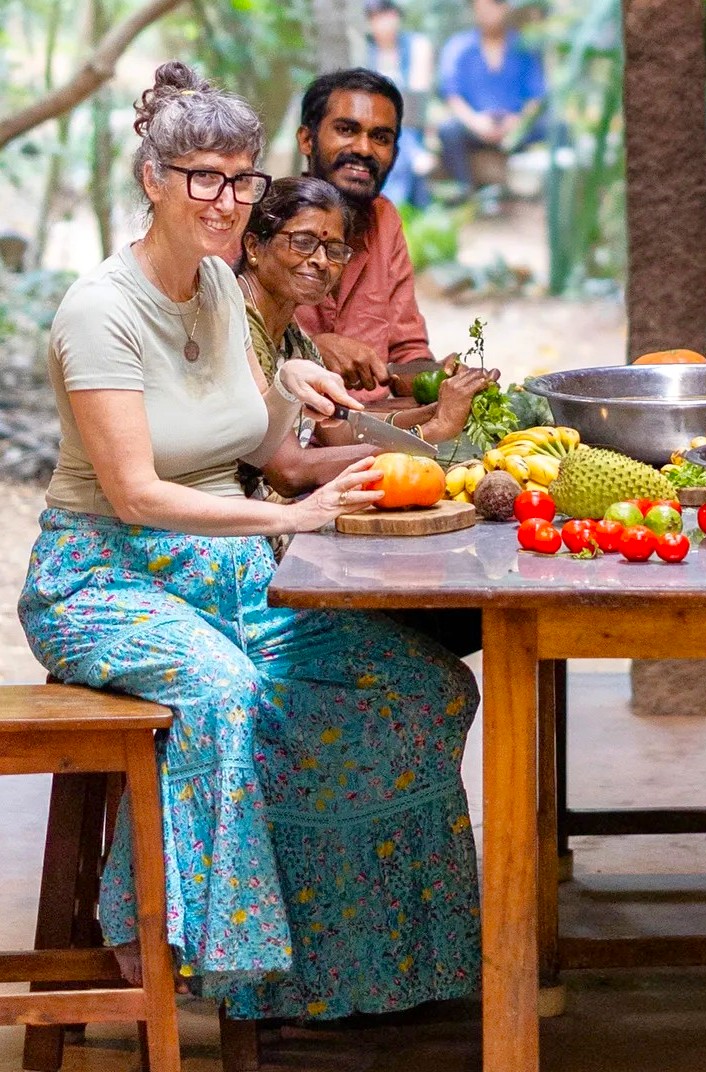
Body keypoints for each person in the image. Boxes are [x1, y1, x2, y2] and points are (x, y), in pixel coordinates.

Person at [18, 62, 482, 1022]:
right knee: (225, 693)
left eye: (243, 180)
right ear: (154, 179)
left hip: (217, 576)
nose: (228, 202)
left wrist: (295, 399)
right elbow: (138, 494)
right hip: (103, 579)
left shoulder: (223, 297)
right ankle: (190, 956)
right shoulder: (101, 309)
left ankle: (346, 968)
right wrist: (286, 518)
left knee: (421, 684)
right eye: (205, 179)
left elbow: (263, 445)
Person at [239, 176, 494, 491]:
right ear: (253, 247)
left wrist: (439, 408)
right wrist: (433, 431)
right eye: (303, 242)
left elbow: (342, 433)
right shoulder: (235, 325)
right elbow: (290, 472)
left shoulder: (295, 341)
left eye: (334, 250)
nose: (321, 261)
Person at [294, 68, 449, 398]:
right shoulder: (264, 220)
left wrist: (441, 379)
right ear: (307, 140)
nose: (364, 149)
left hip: (374, 431)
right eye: (347, 130)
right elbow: (235, 353)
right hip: (287, 438)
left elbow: (408, 353)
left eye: (381, 137)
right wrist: (310, 349)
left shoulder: (385, 219)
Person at [436, 0, 546, 202]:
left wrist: (518, 123)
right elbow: (451, 94)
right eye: (481, 8)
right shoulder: (459, 47)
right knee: (448, 130)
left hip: (517, 128)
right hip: (475, 126)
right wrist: (475, 122)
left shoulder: (523, 45)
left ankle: (545, 195)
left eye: (492, 6)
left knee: (556, 128)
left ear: (504, 8)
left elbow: (536, 97)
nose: (487, 13)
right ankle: (466, 191)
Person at [363, 0, 436, 208]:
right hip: (374, 124)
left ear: (396, 16)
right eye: (375, 18)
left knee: (397, 139)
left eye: (386, 15)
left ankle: (393, 206)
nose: (382, 24)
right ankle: (413, 157)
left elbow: (416, 99)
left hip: (411, 124)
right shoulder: (365, 51)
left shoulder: (418, 46)